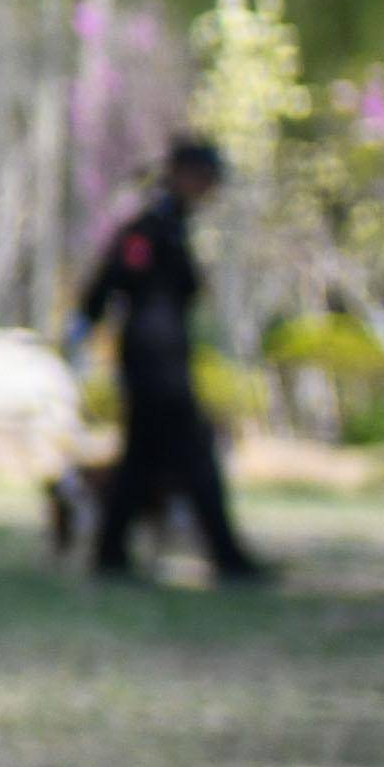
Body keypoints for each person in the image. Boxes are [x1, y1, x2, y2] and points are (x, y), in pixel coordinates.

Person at [68, 135, 271, 585]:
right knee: (195, 458)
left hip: (163, 359)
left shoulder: (173, 225)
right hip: (152, 362)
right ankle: (228, 559)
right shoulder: (150, 228)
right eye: (206, 178)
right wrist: (82, 326)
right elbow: (111, 280)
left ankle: (111, 555)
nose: (211, 189)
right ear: (184, 175)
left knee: (141, 461)